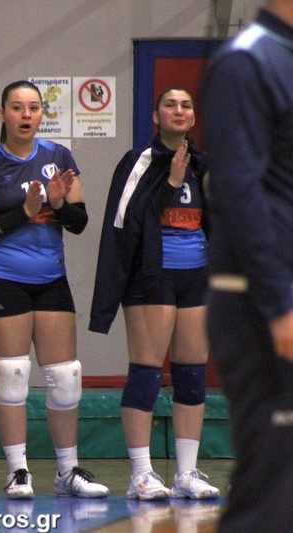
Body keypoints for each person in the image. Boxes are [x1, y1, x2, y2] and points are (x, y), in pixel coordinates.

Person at [0, 80, 108, 500]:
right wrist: (25, 212)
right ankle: (18, 471)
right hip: (2, 277)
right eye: (17, 107)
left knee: (65, 378)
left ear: (42, 113)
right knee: (13, 375)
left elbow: (79, 223)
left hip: (51, 278)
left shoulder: (58, 157)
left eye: (33, 107)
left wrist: (58, 205)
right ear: (2, 114)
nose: (26, 115)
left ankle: (67, 472)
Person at [89, 88, 219, 501]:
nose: (178, 111)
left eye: (186, 105)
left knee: (192, 374)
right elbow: (127, 223)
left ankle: (186, 473)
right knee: (146, 373)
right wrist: (171, 182)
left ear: (193, 117)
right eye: (170, 105)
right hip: (151, 277)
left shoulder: (203, 163)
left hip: (196, 276)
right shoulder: (138, 162)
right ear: (155, 116)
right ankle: (142, 474)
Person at [201, 1, 293, 530]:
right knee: (271, 490)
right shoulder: (247, 61)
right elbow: (238, 190)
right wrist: (279, 306)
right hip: (259, 304)